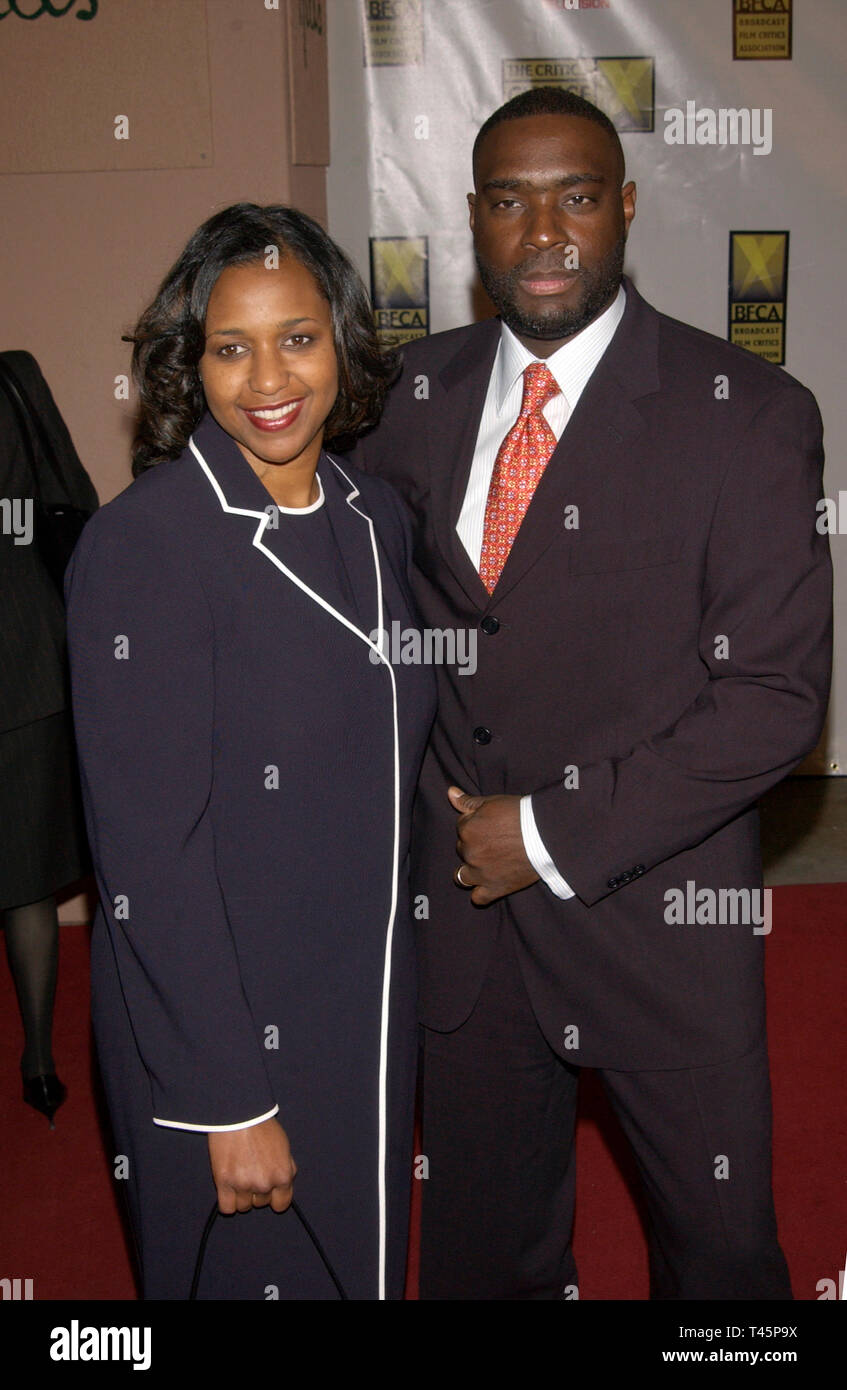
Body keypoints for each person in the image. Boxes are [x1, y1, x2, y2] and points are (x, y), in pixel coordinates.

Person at [347, 87, 833, 1300]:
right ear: (474, 222)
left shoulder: (748, 417)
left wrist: (549, 832)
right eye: (510, 202)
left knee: (720, 1263)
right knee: (479, 1252)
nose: (544, 231)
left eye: (574, 196)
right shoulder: (407, 400)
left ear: (623, 207)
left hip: (660, 919)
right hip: (465, 923)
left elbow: (775, 696)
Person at [64, 203, 436, 1300]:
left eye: (297, 336)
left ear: (342, 342)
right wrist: (228, 1099)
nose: (267, 375)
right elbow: (147, 856)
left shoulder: (376, 515)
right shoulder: (146, 547)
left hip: (362, 1005)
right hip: (221, 1031)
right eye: (231, 346)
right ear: (191, 364)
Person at [0, 350, 96, 1127]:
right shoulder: (15, 377)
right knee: (26, 877)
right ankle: (37, 1058)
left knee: (27, 878)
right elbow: (68, 498)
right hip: (26, 656)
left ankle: (37, 1051)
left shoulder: (15, 376)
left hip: (24, 665)